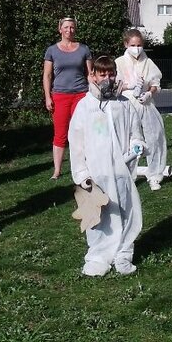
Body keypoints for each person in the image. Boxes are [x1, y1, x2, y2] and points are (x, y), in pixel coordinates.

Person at [69, 56, 142, 276]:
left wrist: (136, 146)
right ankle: (99, 255)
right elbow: (76, 141)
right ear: (93, 76)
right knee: (99, 215)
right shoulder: (86, 106)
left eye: (111, 74)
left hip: (122, 170)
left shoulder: (124, 104)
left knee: (126, 209)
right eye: (103, 74)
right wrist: (81, 174)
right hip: (96, 171)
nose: (107, 78)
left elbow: (135, 132)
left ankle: (123, 252)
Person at [114, 29, 170, 190]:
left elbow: (155, 83)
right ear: (126, 44)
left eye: (139, 45)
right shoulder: (119, 63)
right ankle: (127, 176)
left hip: (145, 103)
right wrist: (128, 86)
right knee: (129, 141)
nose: (136, 48)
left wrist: (149, 94)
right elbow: (114, 87)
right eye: (133, 45)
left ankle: (155, 174)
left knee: (155, 137)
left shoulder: (148, 62)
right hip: (126, 104)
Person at [43, 17, 93, 180]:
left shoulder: (84, 49)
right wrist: (47, 97)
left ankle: (85, 165)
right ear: (60, 29)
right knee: (60, 134)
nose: (69, 30)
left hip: (81, 95)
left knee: (83, 131)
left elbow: (90, 75)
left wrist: (93, 95)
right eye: (66, 27)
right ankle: (57, 171)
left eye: (72, 27)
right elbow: (47, 75)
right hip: (60, 96)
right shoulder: (52, 50)